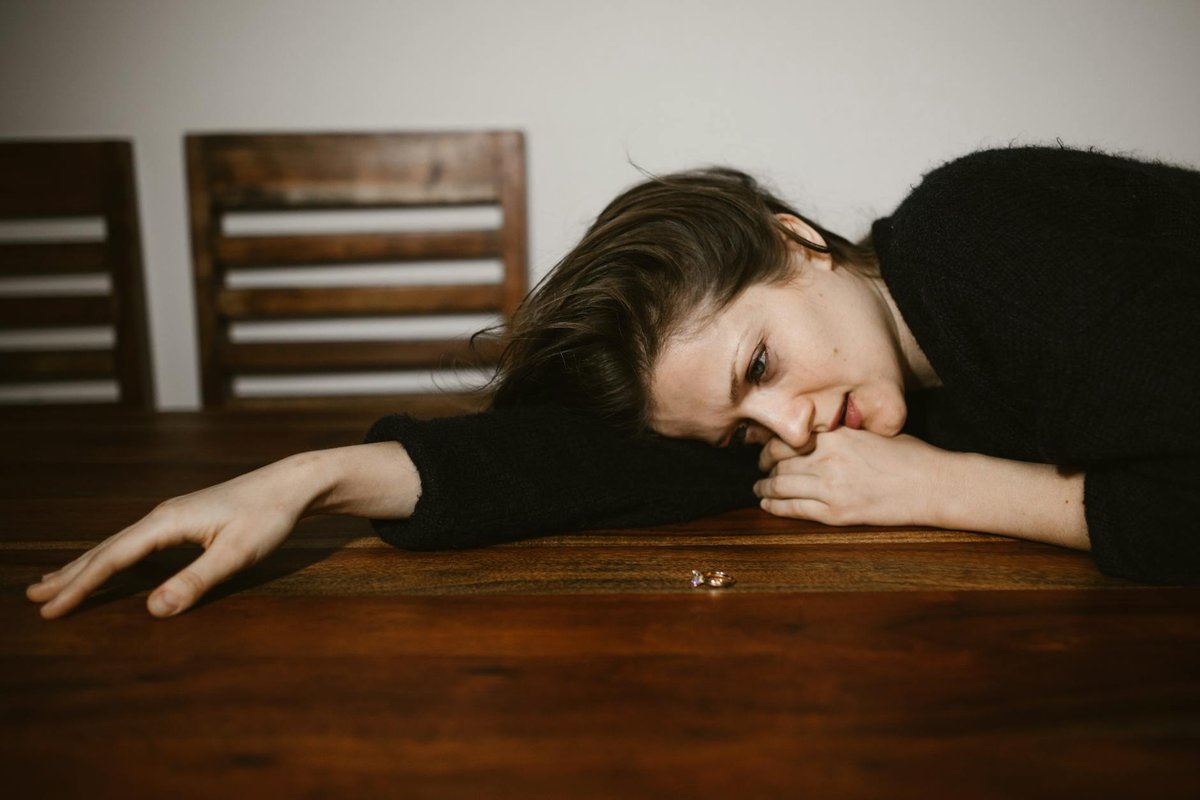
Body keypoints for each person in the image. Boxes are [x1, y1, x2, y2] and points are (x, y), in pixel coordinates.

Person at [27, 145, 1200, 619]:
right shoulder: (881, 367)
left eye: (760, 364)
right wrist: (314, 475)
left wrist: (946, 491)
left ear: (796, 238)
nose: (786, 429)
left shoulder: (971, 239)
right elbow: (599, 462)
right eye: (743, 428)